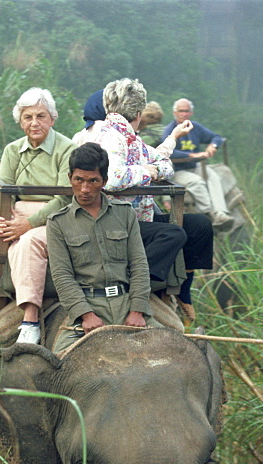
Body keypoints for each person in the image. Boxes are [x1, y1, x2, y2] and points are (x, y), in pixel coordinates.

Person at [0, 87, 76, 351]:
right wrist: (0, 216)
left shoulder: (67, 149)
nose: (34, 123)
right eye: (28, 117)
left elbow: (65, 197)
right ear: (20, 121)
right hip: (16, 209)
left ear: (52, 118)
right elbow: (2, 189)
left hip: (52, 215)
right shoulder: (12, 150)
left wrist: (29, 224)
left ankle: (30, 321)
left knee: (27, 244)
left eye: (41, 116)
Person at [96, 79, 214, 323]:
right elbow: (113, 179)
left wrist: (166, 146)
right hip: (117, 219)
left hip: (140, 216)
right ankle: (136, 289)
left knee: (199, 226)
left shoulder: (131, 139)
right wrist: (147, 171)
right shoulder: (111, 138)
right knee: (173, 234)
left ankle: (183, 289)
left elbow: (162, 162)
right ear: (139, 113)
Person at [47, 143, 151, 353]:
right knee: (58, 365)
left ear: (104, 181)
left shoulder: (125, 214)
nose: (85, 189)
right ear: (70, 178)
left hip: (126, 302)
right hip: (88, 305)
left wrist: (137, 311)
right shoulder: (57, 222)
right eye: (79, 180)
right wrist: (86, 315)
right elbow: (62, 275)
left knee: (171, 353)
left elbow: (139, 264)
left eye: (93, 181)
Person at [160, 98, 235, 231]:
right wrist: (192, 155)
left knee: (213, 177)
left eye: (187, 111)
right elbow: (168, 151)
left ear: (191, 112)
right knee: (198, 182)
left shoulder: (195, 127)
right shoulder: (169, 130)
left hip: (195, 166)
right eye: (181, 111)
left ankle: (221, 213)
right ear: (175, 113)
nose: (184, 114)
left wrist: (213, 146)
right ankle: (208, 213)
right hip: (177, 170)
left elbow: (216, 137)